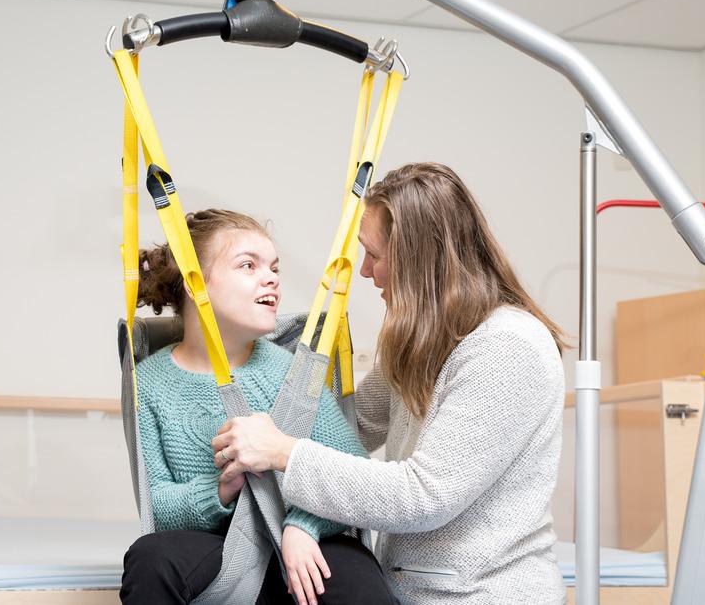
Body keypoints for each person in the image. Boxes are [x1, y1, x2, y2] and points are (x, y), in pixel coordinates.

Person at [213, 164, 569, 604]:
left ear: (418, 259)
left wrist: (282, 451)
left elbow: (423, 496)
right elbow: (347, 425)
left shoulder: (507, 349)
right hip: (410, 590)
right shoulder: (422, 344)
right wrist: (248, 357)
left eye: (374, 255)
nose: (365, 271)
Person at [120, 208, 393, 605]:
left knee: (360, 581)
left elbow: (353, 472)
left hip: (301, 544)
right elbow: (157, 504)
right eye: (248, 265)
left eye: (274, 268)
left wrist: (304, 525)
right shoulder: (149, 385)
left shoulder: (295, 371)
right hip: (216, 548)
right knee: (150, 559)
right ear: (194, 282)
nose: (271, 278)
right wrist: (220, 490)